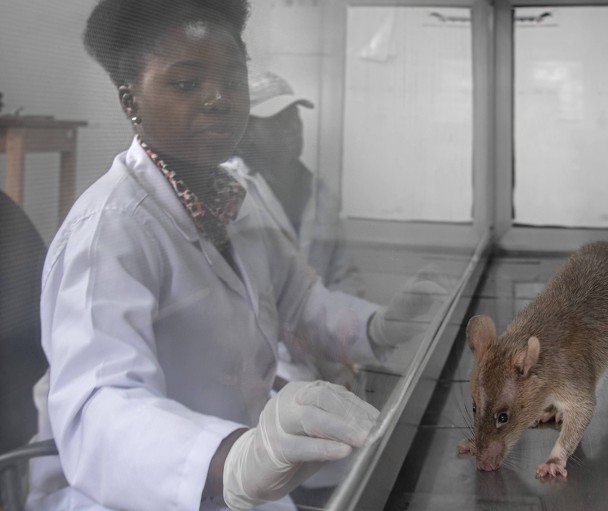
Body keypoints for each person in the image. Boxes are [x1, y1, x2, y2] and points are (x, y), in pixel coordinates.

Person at [26, 1, 439, 509]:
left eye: (234, 80)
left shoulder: (240, 192)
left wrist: (379, 325)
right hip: (141, 491)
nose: (219, 100)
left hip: (242, 474)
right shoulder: (108, 231)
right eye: (186, 83)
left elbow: (303, 300)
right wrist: (231, 457)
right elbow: (99, 409)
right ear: (131, 101)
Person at [224, 72, 364, 388]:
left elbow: (344, 274)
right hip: (257, 367)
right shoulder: (228, 193)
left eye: (294, 118)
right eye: (276, 121)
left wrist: (342, 336)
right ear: (245, 132)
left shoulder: (321, 194)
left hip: (320, 354)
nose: (292, 129)